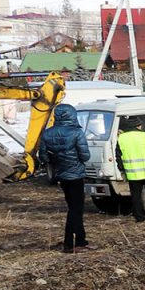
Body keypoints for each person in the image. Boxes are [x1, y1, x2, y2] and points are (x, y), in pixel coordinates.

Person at [38, 103, 92, 253]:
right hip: (75, 175)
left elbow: (43, 156)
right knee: (76, 210)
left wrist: (57, 160)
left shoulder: (47, 133)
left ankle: (80, 240)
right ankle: (71, 244)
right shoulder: (76, 133)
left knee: (73, 208)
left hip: (61, 174)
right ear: (72, 115)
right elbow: (85, 156)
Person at [115, 115, 145, 222]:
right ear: (138, 126)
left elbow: (118, 157)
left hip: (133, 174)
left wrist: (122, 171)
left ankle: (139, 217)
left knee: (136, 196)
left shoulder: (121, 138)